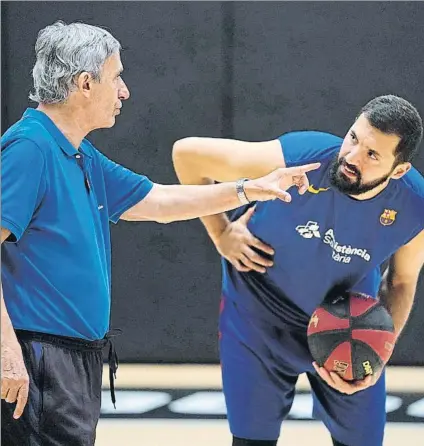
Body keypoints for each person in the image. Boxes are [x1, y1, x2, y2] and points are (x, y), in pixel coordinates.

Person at [0, 21, 320, 446]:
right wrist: (6, 351)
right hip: (37, 356)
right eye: (116, 77)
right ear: (84, 84)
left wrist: (249, 188)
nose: (124, 91)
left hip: (72, 358)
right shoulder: (30, 149)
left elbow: (160, 202)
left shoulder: (79, 153)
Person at [172, 94, 424, 446]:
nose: (352, 158)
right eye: (353, 139)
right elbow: (187, 155)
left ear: (398, 170)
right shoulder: (300, 158)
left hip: (347, 325)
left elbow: (401, 281)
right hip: (259, 315)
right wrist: (221, 232)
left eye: (372, 155)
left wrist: (381, 350)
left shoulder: (414, 206)